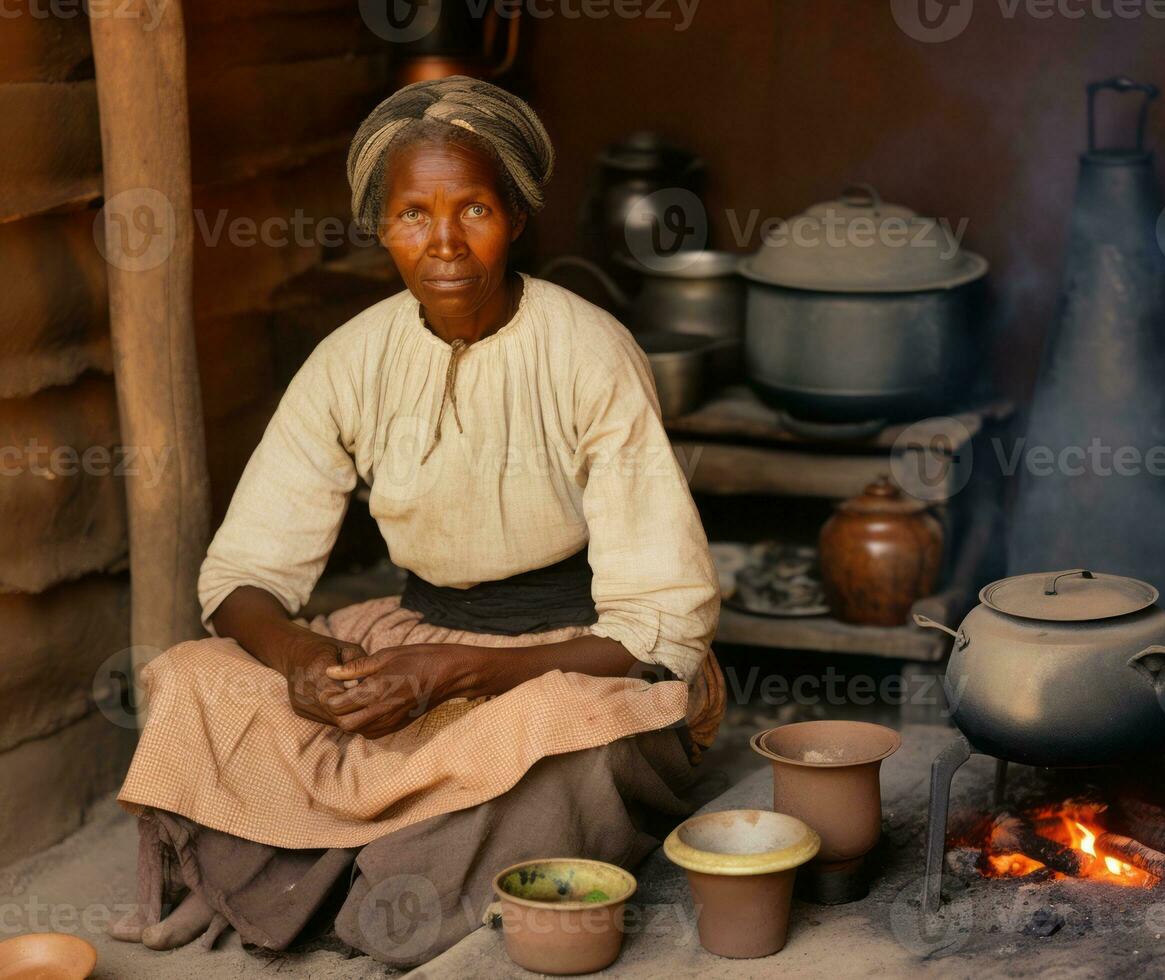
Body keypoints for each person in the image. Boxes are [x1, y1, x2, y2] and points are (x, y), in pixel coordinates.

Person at [110, 76, 723, 967]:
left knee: (565, 746)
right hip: (413, 636)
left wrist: (462, 672)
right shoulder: (350, 360)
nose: (442, 242)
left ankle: (336, 886)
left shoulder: (590, 353)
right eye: (411, 215)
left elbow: (658, 628)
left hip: (572, 657)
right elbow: (242, 575)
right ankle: (359, 874)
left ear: (514, 214)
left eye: (472, 207)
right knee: (193, 681)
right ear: (379, 226)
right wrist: (306, 664)